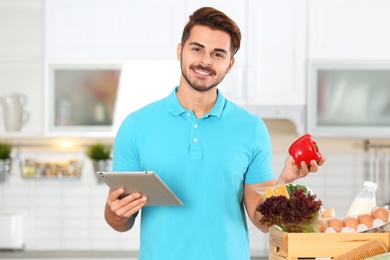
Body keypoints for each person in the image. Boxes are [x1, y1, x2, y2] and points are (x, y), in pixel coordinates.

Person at [104, 6, 326, 260]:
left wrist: (285, 181)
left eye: (218, 54)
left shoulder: (251, 128)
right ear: (180, 51)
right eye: (197, 49)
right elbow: (119, 221)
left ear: (230, 64)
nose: (205, 61)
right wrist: (115, 212)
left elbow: (263, 220)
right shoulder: (136, 125)